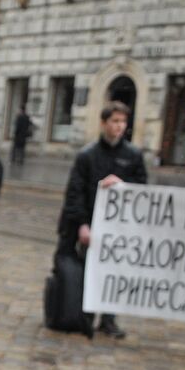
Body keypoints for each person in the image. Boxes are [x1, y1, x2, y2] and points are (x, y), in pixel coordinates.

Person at [57, 100, 147, 338]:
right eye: (115, 121)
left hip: (119, 228)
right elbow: (76, 192)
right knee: (90, 270)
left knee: (114, 272)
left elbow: (143, 190)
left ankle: (109, 319)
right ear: (104, 123)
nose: (119, 126)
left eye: (123, 122)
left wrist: (123, 185)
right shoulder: (88, 155)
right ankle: (86, 315)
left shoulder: (133, 155)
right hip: (92, 224)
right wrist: (82, 224)